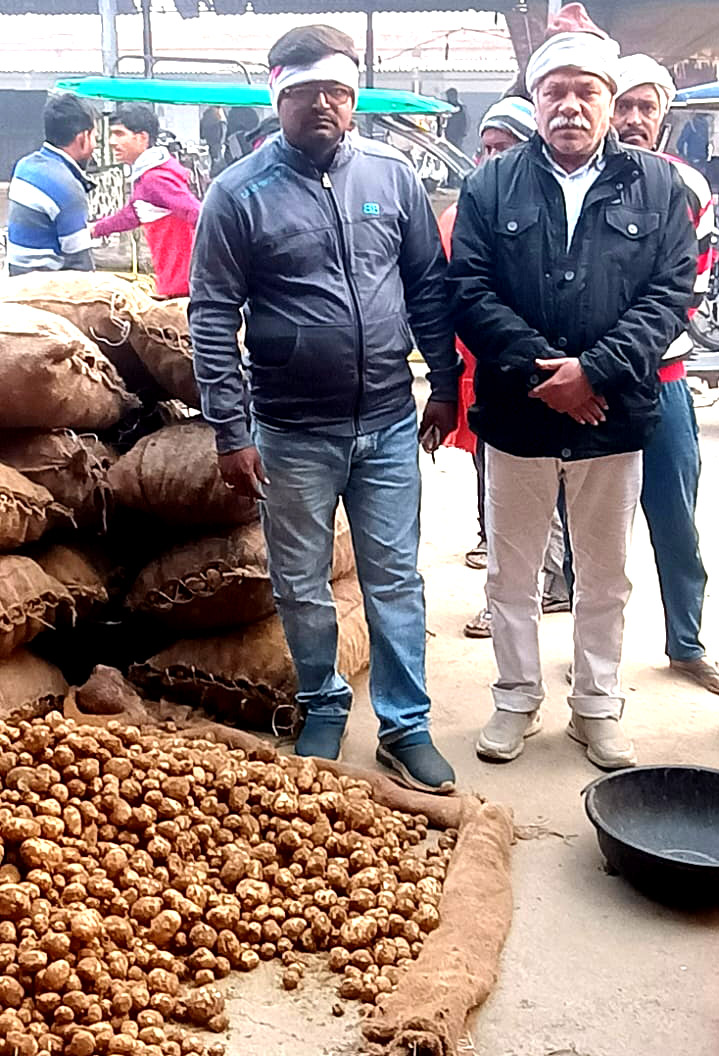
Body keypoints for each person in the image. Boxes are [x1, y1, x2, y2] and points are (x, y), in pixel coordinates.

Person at [189, 24, 461, 794]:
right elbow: (211, 314)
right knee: (302, 582)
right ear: (276, 97)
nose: (322, 106)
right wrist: (230, 429)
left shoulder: (391, 177)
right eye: (305, 92)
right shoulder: (237, 194)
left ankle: (405, 726)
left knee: (394, 579)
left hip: (387, 421)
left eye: (337, 92)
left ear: (352, 99)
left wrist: (444, 384)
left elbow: (427, 287)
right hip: (291, 430)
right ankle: (322, 704)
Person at [447, 2, 696, 769]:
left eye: (586, 90)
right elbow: (470, 290)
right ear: (534, 99)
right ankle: (515, 698)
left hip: (609, 416)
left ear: (608, 98)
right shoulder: (490, 186)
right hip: (518, 416)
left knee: (604, 575)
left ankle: (595, 706)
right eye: (553, 90)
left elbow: (668, 296)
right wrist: (544, 373)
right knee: (511, 572)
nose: (569, 105)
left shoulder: (658, 187)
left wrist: (592, 372)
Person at [439, 97, 570, 638]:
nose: (491, 158)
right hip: (486, 373)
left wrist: (545, 367)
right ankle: (514, 582)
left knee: (547, 490)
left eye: (504, 147)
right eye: (486, 148)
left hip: (554, 376)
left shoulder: (554, 211)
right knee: (491, 481)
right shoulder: (467, 210)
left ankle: (550, 581)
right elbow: (458, 293)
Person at [610, 56, 718, 692]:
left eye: (646, 107)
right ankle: (597, 659)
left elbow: (687, 295)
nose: (633, 119)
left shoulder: (689, 188)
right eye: (623, 105)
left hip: (663, 376)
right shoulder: (581, 184)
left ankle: (687, 643)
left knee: (675, 517)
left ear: (663, 115)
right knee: (596, 533)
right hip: (594, 384)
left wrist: (625, 350)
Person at [91, 103, 201, 297]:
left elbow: (197, 213)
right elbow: (132, 214)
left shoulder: (154, 179)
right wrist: (95, 229)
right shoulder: (149, 175)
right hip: (177, 279)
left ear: (142, 138)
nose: (111, 141)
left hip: (182, 283)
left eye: (119, 134)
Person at [6, 92, 96, 275]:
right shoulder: (67, 188)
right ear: (82, 138)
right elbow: (81, 265)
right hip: (45, 284)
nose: (95, 145)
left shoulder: (24, 166)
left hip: (16, 275)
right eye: (95, 137)